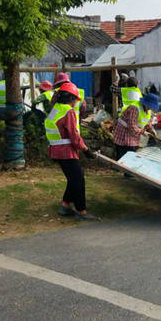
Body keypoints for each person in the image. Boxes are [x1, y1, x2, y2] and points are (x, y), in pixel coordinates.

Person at [44, 82, 96, 220]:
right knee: (78, 180)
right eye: (75, 100)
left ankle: (65, 205)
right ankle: (81, 211)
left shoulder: (56, 108)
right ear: (71, 99)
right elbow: (74, 136)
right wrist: (86, 149)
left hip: (56, 150)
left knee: (73, 178)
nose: (75, 104)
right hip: (66, 151)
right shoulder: (68, 111)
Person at [113, 92, 159, 160]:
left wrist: (152, 130)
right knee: (123, 155)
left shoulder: (148, 111)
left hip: (134, 134)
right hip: (124, 134)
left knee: (132, 153)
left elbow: (147, 123)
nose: (150, 108)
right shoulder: (134, 108)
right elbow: (132, 126)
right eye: (149, 106)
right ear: (145, 103)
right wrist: (143, 132)